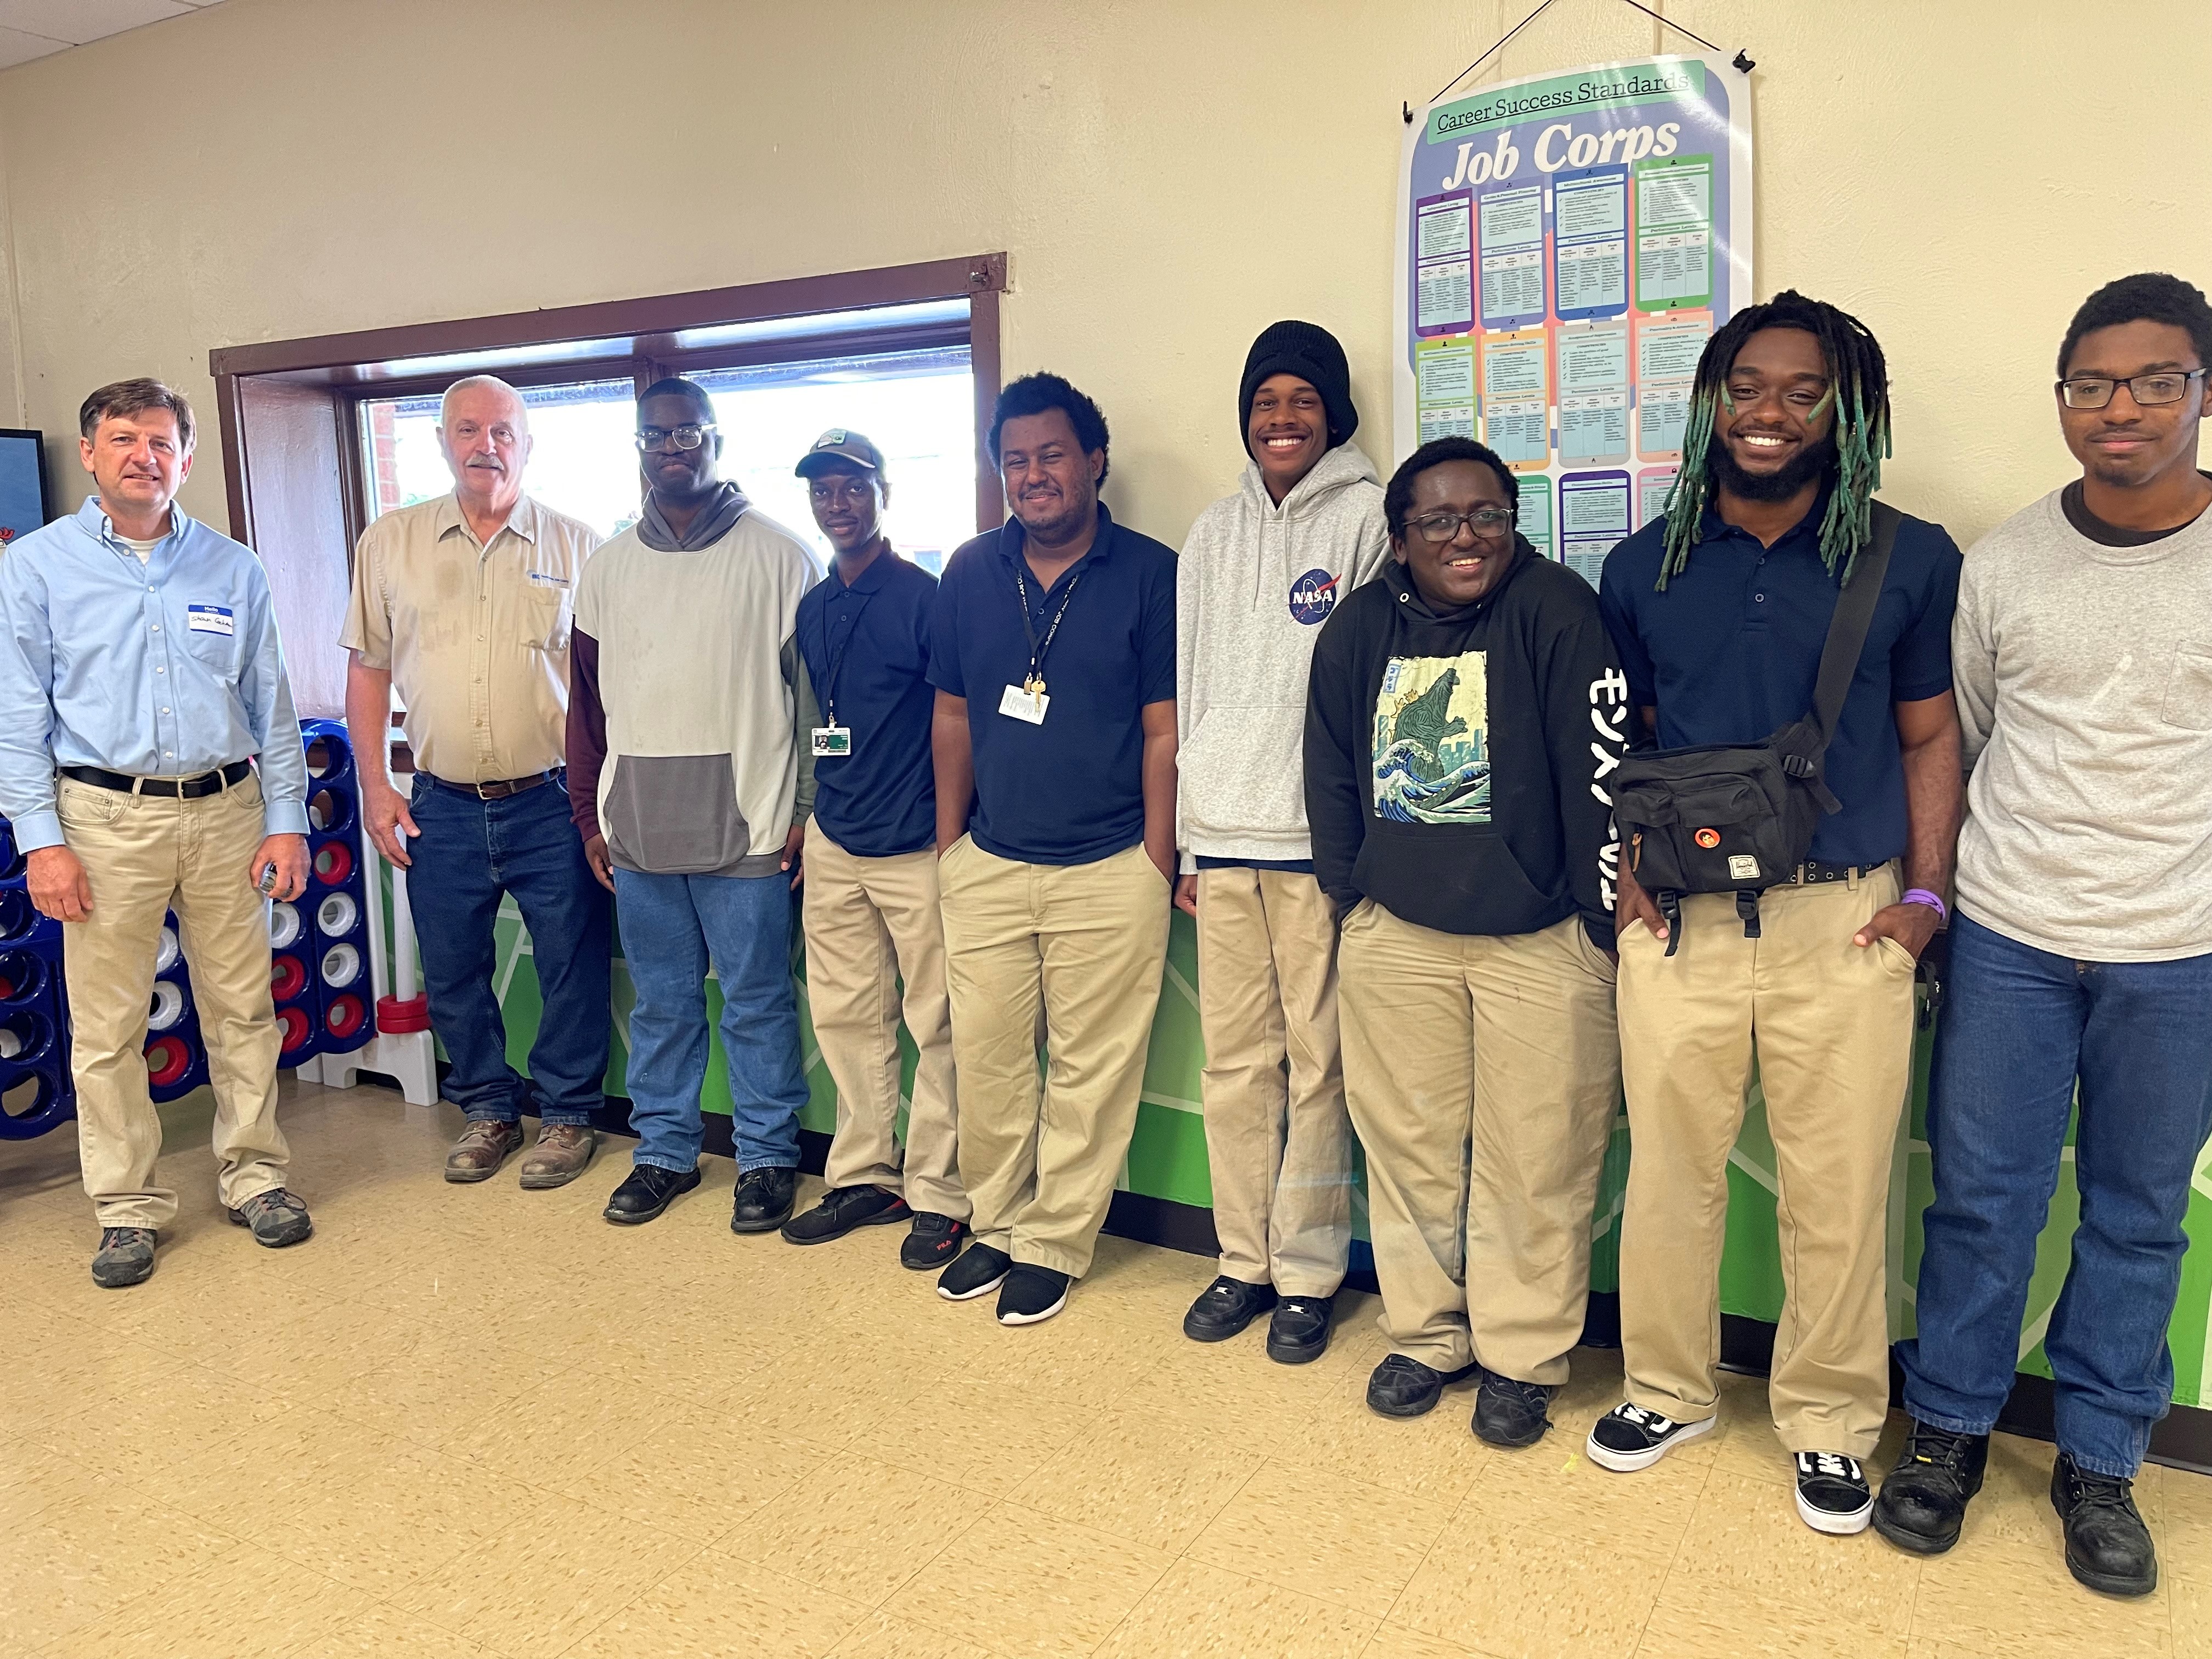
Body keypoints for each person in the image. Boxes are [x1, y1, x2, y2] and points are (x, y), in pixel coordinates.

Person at [1590, 293, 1963, 1535]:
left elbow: (1929, 736)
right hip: (1681, 927)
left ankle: (1831, 1421)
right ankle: (1667, 1387)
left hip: (1845, 923)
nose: (1770, 413)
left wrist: (1923, 898)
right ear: (1711, 400)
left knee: (1840, 1187)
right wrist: (1625, 880)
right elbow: (1622, 743)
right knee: (1671, 1177)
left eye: (1805, 393)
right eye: (1748, 386)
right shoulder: (1643, 561)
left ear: (1848, 411)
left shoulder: (1908, 556)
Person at [1877, 273, 2212, 1597]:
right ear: (2063, 398)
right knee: (1985, 1204)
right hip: (2012, 937)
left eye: (2152, 381)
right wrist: (1941, 902)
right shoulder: (2005, 561)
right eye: (2090, 383)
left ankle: (2102, 1463)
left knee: (2136, 1219)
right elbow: (1956, 737)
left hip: (2179, 951)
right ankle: (1949, 1432)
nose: (2117, 407)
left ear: (2201, 391)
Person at [1305, 436, 1626, 1441]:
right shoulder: (1359, 629)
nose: (1466, 537)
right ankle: (1426, 1335)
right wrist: (1352, 897)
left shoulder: (1561, 612)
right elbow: (1330, 769)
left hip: (1540, 943)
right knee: (1409, 1150)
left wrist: (1593, 923)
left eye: (1487, 514)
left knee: (1538, 1158)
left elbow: (1605, 774)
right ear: (1399, 540)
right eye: (1438, 521)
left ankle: (1522, 1353)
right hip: (1398, 937)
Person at [0, 379, 313, 1287]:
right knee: (106, 1031)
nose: (146, 455)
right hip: (100, 821)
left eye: (163, 441)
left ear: (186, 456)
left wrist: (287, 819)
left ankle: (255, 1176)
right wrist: (40, 841)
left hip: (227, 815)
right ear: (92, 453)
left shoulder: (233, 568)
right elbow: (17, 716)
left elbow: (275, 711)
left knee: (243, 1011)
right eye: (125, 438)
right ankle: (127, 1207)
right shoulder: (37, 567)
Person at [928, 372, 1177, 1326]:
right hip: (989, 864)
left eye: (1052, 456)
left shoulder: (1151, 572)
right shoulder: (966, 572)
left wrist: (1156, 857)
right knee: (988, 1060)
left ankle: (1058, 1240)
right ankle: (997, 1224)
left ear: (1094, 463)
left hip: (1113, 865)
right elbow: (951, 718)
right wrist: (952, 849)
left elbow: (1165, 729)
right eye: (1016, 461)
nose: (1033, 476)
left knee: (1091, 1068)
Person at [1173, 321, 1389, 1363]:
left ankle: (1307, 1271)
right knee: (1234, 1063)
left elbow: (1377, 695)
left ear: (1334, 414)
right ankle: (1240, 1260)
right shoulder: (1212, 533)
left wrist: (1357, 840)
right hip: (1220, 835)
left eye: (1302, 400)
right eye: (1266, 402)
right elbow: (1191, 682)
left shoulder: (1369, 519)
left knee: (1320, 1065)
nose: (1282, 418)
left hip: (1315, 843)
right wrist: (1183, 840)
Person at [342, 375, 611, 1192]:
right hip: (441, 802)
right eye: (467, 430)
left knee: (571, 959)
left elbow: (602, 687)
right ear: (443, 442)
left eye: (502, 431)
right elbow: (367, 670)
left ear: (527, 444)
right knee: (454, 963)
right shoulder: (390, 542)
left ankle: (567, 1116)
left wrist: (601, 798)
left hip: (552, 799)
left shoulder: (579, 545)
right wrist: (377, 788)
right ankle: (489, 1107)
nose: (484, 445)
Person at [567, 377, 820, 1231]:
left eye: (689, 434)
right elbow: (586, 709)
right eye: (656, 436)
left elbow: (814, 706)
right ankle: (664, 1153)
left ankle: (767, 1157)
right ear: (638, 447)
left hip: (748, 826)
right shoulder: (606, 568)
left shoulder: (780, 557)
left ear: (716, 441)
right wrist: (584, 815)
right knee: (664, 1003)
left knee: (755, 1002)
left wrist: (805, 814)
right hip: (636, 829)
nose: (673, 448)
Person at [777, 428, 970, 1268]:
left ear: (882, 492)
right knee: (847, 1017)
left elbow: (956, 722)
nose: (837, 503)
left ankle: (940, 1191)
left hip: (916, 844)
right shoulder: (814, 607)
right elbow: (813, 726)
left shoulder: (926, 598)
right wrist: (807, 815)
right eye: (822, 490)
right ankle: (866, 1174)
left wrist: (951, 829)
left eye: (851, 487)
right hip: (836, 841)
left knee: (940, 1022)